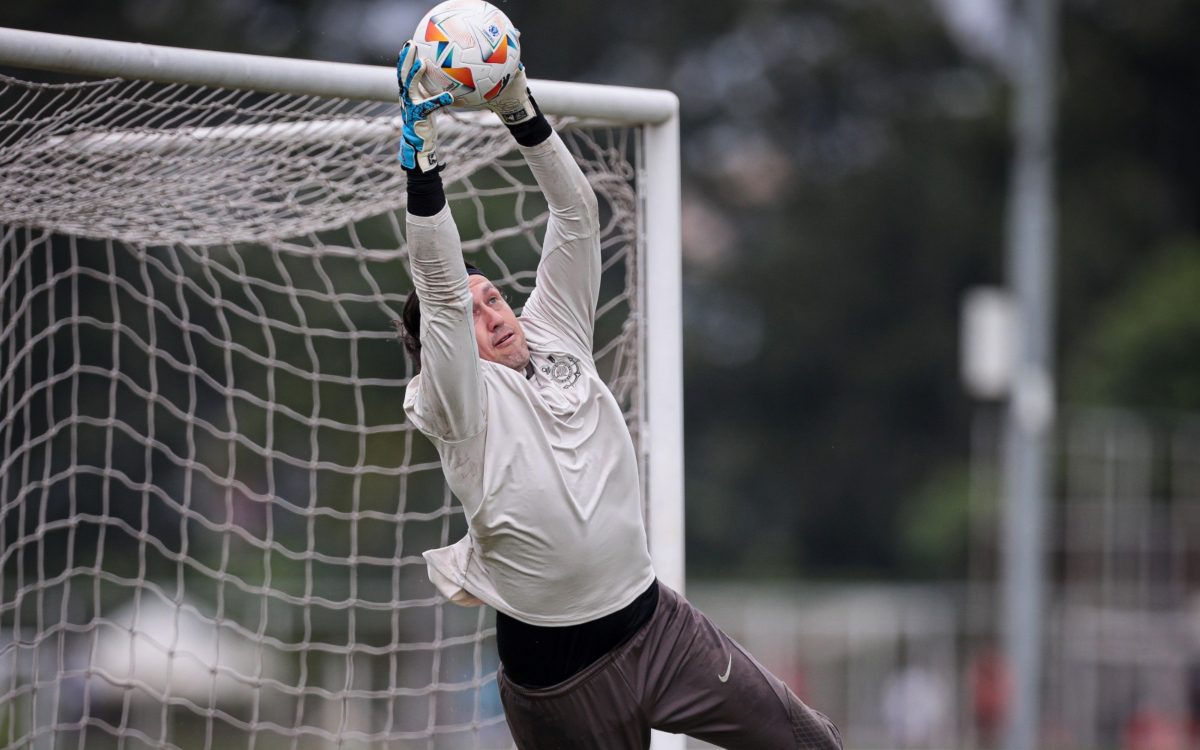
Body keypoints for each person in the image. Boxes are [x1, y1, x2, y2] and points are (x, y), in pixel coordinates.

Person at [394, 39, 842, 750]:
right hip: (562, 680)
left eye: (494, 296)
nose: (494, 312)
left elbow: (576, 214)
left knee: (811, 743)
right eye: (473, 315)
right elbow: (441, 294)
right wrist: (421, 173)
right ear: (447, 347)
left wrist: (521, 111)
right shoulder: (454, 403)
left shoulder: (554, 330)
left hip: (657, 627)